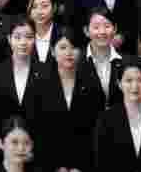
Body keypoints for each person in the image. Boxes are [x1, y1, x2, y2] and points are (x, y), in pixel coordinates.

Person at [30, 26, 102, 172]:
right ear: (52, 51)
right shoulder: (39, 84)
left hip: (84, 163)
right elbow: (36, 130)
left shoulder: (91, 83)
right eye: (63, 47)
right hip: (49, 163)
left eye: (73, 47)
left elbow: (96, 129)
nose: (69, 53)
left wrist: (81, 167)